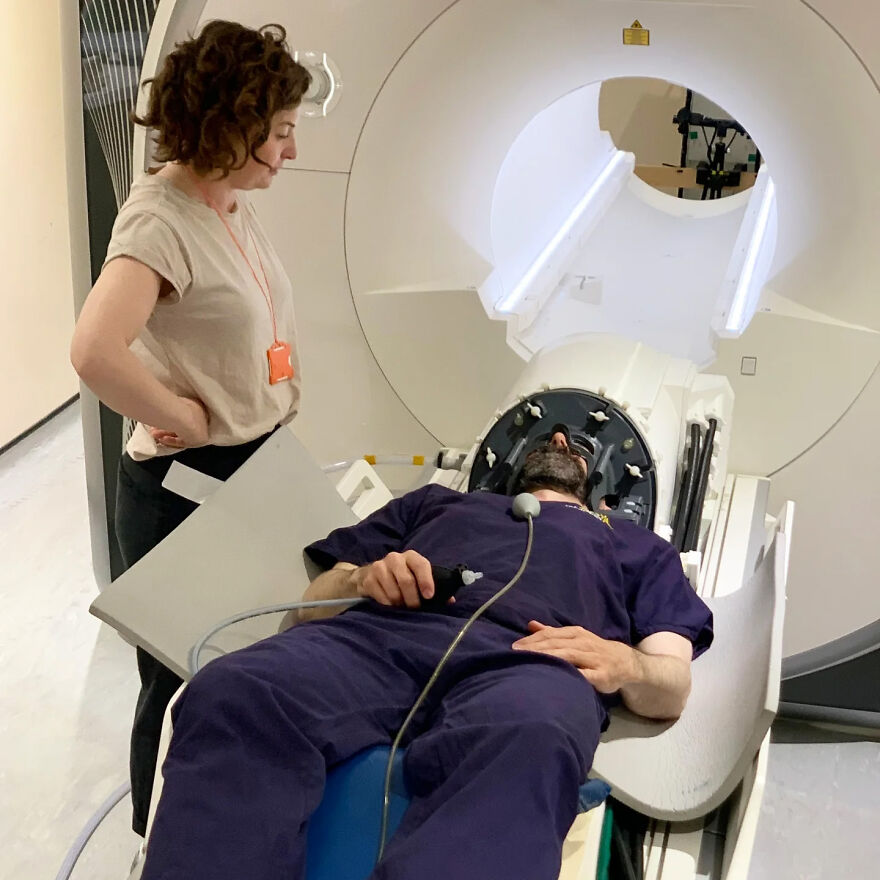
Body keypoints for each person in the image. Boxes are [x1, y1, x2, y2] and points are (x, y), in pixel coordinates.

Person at [138, 434, 713, 880]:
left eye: (574, 447)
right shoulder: (436, 503)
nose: (560, 442)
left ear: (597, 483)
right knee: (235, 690)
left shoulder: (638, 546)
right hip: (377, 636)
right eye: (549, 438)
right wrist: (363, 577)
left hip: (534, 661)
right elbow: (311, 605)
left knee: (531, 741)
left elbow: (671, 684)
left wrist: (625, 663)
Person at [69, 21, 312, 836]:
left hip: (254, 467)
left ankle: (240, 830)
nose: (290, 149)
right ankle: (161, 843)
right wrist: (179, 414)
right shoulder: (159, 220)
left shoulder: (228, 202)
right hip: (187, 489)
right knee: (179, 678)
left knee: (253, 664)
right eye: (277, 131)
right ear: (230, 121)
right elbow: (94, 351)